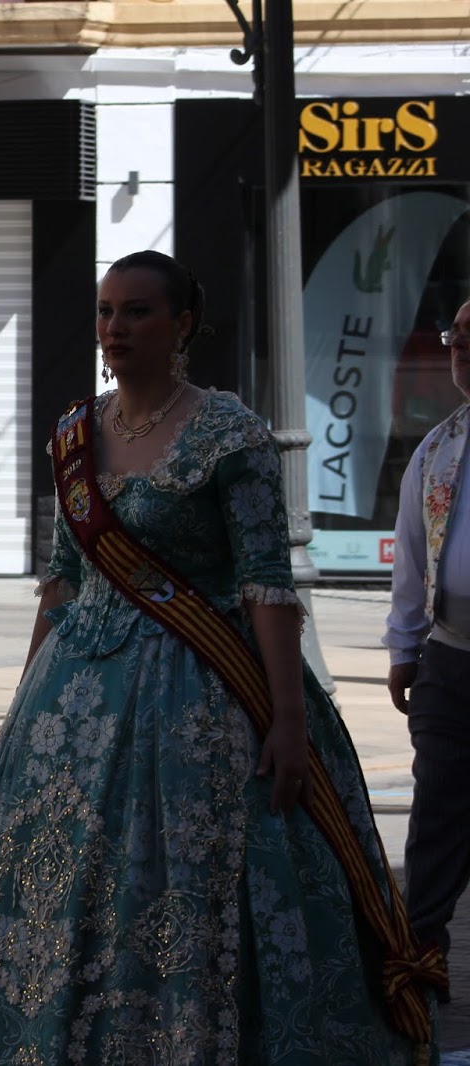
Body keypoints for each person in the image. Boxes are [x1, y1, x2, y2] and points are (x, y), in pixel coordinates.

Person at [0, 250, 442, 1064]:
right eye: (106, 311)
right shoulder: (74, 434)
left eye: (137, 311)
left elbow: (266, 584)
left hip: (202, 695)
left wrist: (286, 720)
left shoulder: (227, 433)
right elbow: (62, 579)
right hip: (71, 699)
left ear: (183, 325)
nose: (115, 327)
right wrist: (23, 708)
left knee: (190, 882)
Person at [386, 297, 470, 994]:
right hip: (451, 657)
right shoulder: (439, 447)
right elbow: (411, 557)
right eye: (456, 337)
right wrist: (404, 646)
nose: (460, 348)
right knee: (438, 806)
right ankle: (420, 959)